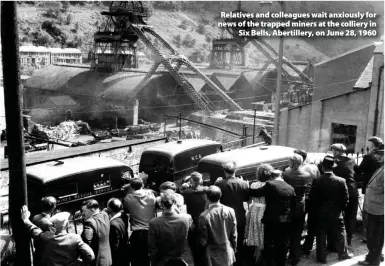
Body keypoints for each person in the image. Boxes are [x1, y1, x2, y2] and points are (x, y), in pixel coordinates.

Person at [308, 155, 353, 263]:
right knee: (341, 232)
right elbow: (346, 199)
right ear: (333, 168)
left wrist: (317, 209)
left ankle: (321, 257)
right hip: (336, 212)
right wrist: (340, 209)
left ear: (322, 168)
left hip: (321, 212)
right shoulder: (341, 181)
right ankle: (343, 254)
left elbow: (312, 198)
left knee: (321, 234)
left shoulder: (317, 181)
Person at [249, 169, 296, 266]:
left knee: (270, 243)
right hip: (286, 220)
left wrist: (246, 186)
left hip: (272, 220)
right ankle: (281, 262)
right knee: (283, 244)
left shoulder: (270, 184)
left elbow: (257, 193)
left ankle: (270, 262)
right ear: (281, 175)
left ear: (271, 176)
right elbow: (293, 205)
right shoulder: (291, 188)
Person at [21, 205, 95, 266]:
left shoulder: (46, 237)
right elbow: (90, 255)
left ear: (53, 226)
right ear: (67, 225)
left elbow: (34, 230)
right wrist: (77, 264)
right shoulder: (75, 238)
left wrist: (26, 220)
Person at [215, 161, 249, 266]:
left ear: (225, 171)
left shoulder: (219, 184)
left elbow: (215, 198)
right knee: (239, 241)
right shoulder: (243, 183)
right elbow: (246, 199)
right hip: (239, 216)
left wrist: (215, 183)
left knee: (226, 240)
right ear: (235, 170)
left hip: (225, 217)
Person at [148, 190, 192, 266]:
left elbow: (152, 246)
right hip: (183, 260)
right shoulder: (187, 218)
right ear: (175, 202)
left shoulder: (154, 222)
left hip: (162, 261)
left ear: (161, 204)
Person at [283, 154, 312, 265]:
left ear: (292, 163)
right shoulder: (306, 175)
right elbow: (308, 189)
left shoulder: (286, 174)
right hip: (300, 205)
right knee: (297, 232)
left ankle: (287, 254)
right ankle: (295, 256)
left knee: (287, 231)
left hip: (289, 205)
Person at [197, 185, 237, 266]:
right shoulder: (230, 211)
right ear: (220, 195)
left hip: (212, 257)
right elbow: (234, 235)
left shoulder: (204, 216)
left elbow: (203, 240)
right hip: (227, 253)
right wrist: (233, 248)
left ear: (206, 197)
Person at [358, 145, 384, 266]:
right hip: (374, 208)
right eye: (377, 153)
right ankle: (375, 256)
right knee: (374, 236)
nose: (377, 156)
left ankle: (372, 261)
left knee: (375, 236)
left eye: (381, 154)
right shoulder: (382, 167)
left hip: (379, 210)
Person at [355, 137, 383, 243]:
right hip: (379, 189)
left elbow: (359, 171)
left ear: (373, 146)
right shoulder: (381, 158)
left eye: (370, 145)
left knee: (367, 211)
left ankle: (366, 235)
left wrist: (353, 165)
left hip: (369, 186)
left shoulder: (368, 157)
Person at [123, 177, 156, 266]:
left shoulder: (128, 199)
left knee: (139, 261)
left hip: (138, 233)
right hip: (152, 231)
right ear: (143, 185)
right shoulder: (151, 196)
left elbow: (126, 210)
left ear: (131, 187)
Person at [331, 143, 359, 246]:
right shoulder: (351, 160)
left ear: (338, 152)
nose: (333, 152)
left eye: (334, 150)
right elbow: (356, 171)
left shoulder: (334, 163)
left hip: (340, 193)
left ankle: (336, 241)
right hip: (352, 191)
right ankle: (348, 240)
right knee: (351, 217)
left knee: (337, 217)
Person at [244, 164, 272, 264]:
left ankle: (256, 253)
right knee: (263, 232)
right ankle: (260, 255)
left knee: (255, 231)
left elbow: (250, 200)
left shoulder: (253, 185)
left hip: (254, 210)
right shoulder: (270, 185)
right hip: (264, 210)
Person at [180, 172, 208, 266]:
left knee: (193, 247)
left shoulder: (186, 193)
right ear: (201, 180)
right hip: (205, 220)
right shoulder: (206, 191)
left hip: (192, 223)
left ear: (191, 180)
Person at [81, 199, 112, 266]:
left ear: (92, 210)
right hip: (107, 258)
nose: (82, 214)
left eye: (84, 211)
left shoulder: (89, 222)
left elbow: (86, 242)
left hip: (97, 260)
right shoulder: (105, 215)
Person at [107, 198, 130, 266]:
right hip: (125, 252)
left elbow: (115, 245)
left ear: (110, 209)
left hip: (118, 257)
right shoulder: (123, 216)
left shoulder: (112, 225)